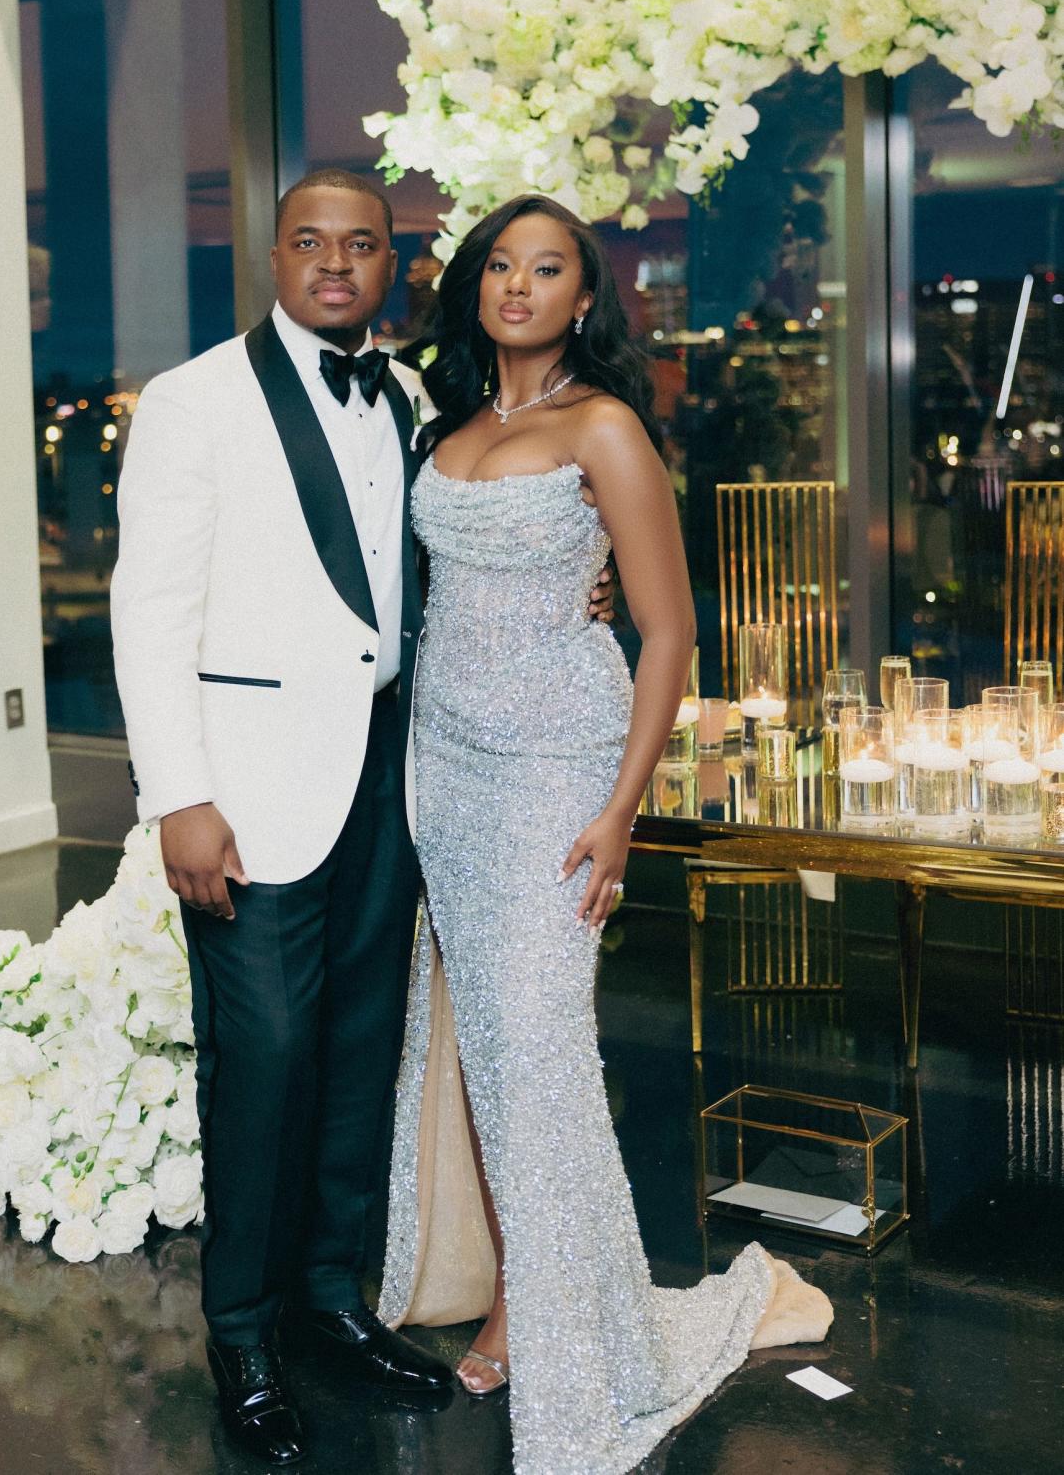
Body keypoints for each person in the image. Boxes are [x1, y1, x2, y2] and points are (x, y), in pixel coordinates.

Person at [109, 169, 616, 1466]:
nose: (336, 265)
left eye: (362, 245)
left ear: (392, 264)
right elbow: (148, 610)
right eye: (309, 242)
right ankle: (243, 1331)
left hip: (392, 775)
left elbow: (443, 557)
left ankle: (332, 1301)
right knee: (261, 1060)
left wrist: (582, 584)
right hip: (250, 792)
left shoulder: (401, 400)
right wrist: (180, 794)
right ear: (273, 255)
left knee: (353, 1055)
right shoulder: (191, 402)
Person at [377, 195, 832, 1475]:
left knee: (541, 1048)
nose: (519, 286)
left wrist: (620, 809)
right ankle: (525, 1277)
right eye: (501, 266)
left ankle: (553, 1317)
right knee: (487, 1055)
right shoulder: (453, 424)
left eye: (549, 269)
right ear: (477, 287)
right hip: (446, 769)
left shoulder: (604, 426)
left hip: (555, 769)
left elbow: (669, 631)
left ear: (585, 298)